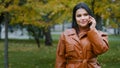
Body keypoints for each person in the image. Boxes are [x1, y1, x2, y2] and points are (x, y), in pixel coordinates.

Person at [55, 2, 109, 68]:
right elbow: (60, 59)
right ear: (75, 18)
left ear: (90, 17)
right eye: (79, 16)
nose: (82, 18)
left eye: (85, 15)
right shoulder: (65, 35)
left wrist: (92, 30)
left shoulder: (99, 34)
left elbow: (101, 50)